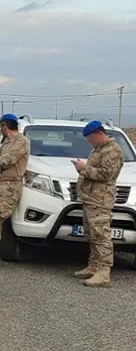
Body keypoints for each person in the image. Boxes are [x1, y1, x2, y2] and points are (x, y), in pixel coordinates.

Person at [72, 120, 123, 287]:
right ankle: (93, 266)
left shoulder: (113, 151)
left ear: (99, 134)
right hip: (90, 199)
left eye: (90, 138)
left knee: (101, 236)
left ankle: (103, 272)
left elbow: (107, 174)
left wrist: (83, 169)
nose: (89, 142)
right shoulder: (97, 150)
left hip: (100, 200)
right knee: (92, 235)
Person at [0, 114, 30, 267]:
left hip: (11, 186)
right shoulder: (6, 143)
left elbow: (8, 160)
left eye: (0, 126)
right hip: (0, 184)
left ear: (5, 126)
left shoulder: (21, 141)